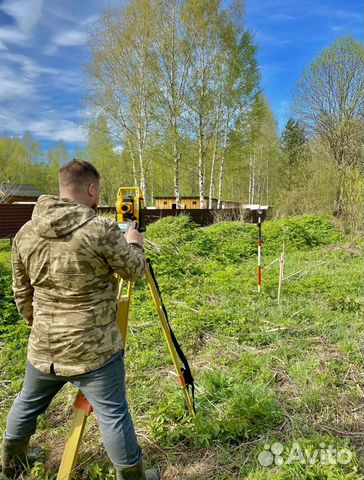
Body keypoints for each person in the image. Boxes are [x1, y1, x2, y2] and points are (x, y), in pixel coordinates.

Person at [0, 159, 159, 480]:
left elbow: (21, 292)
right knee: (113, 415)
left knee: (27, 403)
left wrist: (40, 327)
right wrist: (135, 244)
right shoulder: (99, 229)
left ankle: (11, 465)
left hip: (44, 348)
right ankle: (133, 477)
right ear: (90, 189)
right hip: (94, 351)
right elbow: (134, 270)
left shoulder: (25, 233)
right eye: (98, 191)